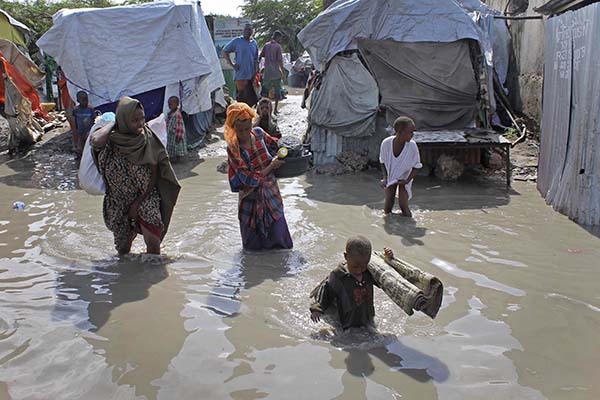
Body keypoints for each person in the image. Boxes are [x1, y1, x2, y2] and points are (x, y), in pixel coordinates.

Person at [92, 96, 181, 255]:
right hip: (118, 200)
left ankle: (150, 274)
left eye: (142, 118)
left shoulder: (147, 139)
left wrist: (137, 203)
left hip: (146, 196)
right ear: (123, 120)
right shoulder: (111, 140)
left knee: (153, 245)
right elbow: (96, 141)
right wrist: (114, 123)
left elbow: (154, 175)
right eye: (134, 120)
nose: (140, 124)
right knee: (123, 251)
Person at [225, 102, 293, 251]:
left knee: (281, 243)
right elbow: (247, 178)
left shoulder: (259, 133)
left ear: (251, 122)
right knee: (252, 249)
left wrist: (291, 147)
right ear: (233, 127)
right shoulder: (233, 148)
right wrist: (271, 166)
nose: (243, 133)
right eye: (239, 129)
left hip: (271, 194)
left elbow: (277, 144)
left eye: (246, 127)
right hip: (249, 198)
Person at [310, 236, 394, 330]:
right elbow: (325, 292)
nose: (359, 270)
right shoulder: (338, 275)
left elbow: (385, 279)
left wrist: (388, 259)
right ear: (346, 256)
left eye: (363, 266)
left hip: (367, 317)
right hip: (347, 322)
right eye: (355, 267)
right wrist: (316, 309)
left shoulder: (369, 272)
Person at [379, 116, 422, 217]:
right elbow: (382, 161)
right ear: (400, 132)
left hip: (405, 177)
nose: (412, 135)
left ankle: (408, 225)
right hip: (391, 176)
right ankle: (391, 225)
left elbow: (417, 167)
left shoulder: (412, 146)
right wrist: (385, 178)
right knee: (388, 206)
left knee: (404, 206)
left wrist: (407, 180)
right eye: (410, 132)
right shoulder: (386, 143)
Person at [223, 24, 259, 107]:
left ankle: (249, 117)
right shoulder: (237, 41)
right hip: (240, 75)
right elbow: (225, 51)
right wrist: (232, 64)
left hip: (251, 75)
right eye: (246, 30)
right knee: (241, 99)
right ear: (243, 31)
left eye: (249, 30)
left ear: (252, 31)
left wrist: (256, 71)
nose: (248, 32)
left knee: (252, 100)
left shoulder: (254, 43)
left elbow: (256, 60)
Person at [259, 31, 286, 114]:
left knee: (265, 92)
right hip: (275, 72)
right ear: (277, 37)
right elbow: (280, 61)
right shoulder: (278, 47)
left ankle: (264, 110)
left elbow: (260, 57)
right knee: (277, 91)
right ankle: (275, 110)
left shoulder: (266, 45)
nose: (280, 39)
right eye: (280, 38)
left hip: (267, 72)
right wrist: (283, 72)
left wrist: (258, 68)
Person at [71, 91, 95, 157]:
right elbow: (74, 120)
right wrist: (75, 130)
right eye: (83, 100)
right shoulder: (76, 110)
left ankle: (88, 157)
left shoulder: (90, 109)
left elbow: (94, 119)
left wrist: (92, 130)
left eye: (86, 100)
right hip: (80, 131)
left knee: (89, 146)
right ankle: (80, 156)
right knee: (80, 145)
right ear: (78, 100)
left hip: (89, 131)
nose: (85, 102)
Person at [165, 96, 187, 162]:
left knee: (178, 148)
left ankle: (180, 160)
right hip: (171, 135)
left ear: (177, 104)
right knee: (172, 148)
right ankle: (173, 158)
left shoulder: (177, 114)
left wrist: (179, 136)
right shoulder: (170, 114)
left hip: (177, 135)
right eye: (169, 104)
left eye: (171, 104)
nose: (169, 106)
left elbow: (180, 126)